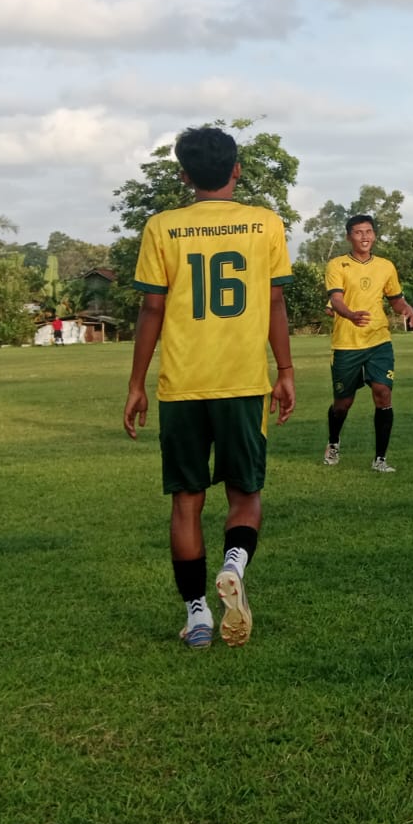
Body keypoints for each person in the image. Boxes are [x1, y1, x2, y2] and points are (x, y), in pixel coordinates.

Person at [122, 126, 295, 650]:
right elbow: (275, 304)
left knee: (186, 502)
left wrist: (135, 384)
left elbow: (152, 308)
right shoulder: (265, 224)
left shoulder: (162, 228)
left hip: (182, 386)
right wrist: (285, 371)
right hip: (242, 383)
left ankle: (197, 614)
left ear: (184, 174)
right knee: (246, 496)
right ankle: (234, 564)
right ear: (237, 169)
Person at [324, 215, 413, 472]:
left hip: (379, 340)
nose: (364, 236)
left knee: (383, 393)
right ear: (348, 237)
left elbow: (395, 299)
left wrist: (406, 308)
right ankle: (333, 442)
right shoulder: (337, 265)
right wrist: (350, 314)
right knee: (344, 403)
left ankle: (380, 459)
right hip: (347, 343)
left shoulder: (386, 266)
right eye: (358, 232)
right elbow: (337, 300)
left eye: (368, 231)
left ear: (374, 235)